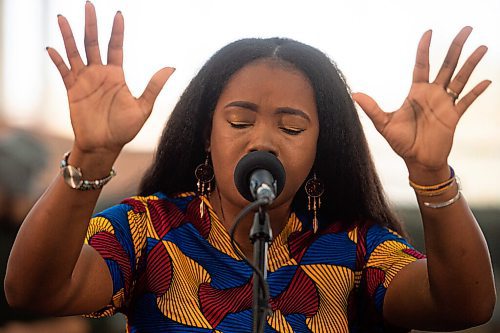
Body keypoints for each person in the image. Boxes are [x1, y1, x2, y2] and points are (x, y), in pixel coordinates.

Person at [4, 2, 496, 332]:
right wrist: (91, 154)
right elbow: (34, 292)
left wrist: (431, 174)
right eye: (239, 121)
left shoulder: (356, 246)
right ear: (207, 135)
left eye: (292, 128)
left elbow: (466, 306)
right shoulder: (146, 228)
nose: (262, 139)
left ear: (321, 148)